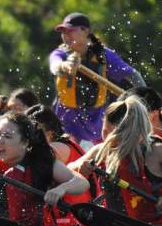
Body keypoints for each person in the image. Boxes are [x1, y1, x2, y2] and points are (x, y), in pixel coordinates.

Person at [50, 12, 145, 144]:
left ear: (85, 31)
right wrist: (65, 66)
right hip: (67, 120)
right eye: (63, 32)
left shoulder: (104, 55)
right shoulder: (60, 54)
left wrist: (144, 99)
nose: (66, 35)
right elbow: (55, 66)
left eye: (70, 31)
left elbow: (133, 75)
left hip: (96, 121)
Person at [69, 96, 162, 223]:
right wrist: (80, 170)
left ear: (129, 131)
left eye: (111, 134)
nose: (107, 139)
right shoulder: (102, 151)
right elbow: (68, 171)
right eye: (104, 132)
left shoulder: (157, 150)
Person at [26, 104, 98, 226]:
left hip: (73, 220)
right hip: (85, 214)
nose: (29, 137)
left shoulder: (55, 148)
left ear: (50, 134)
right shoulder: (68, 143)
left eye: (35, 132)